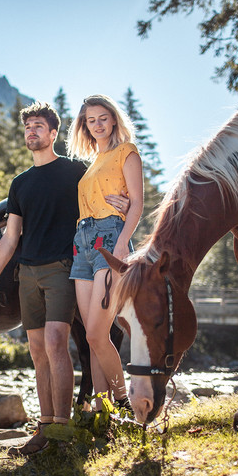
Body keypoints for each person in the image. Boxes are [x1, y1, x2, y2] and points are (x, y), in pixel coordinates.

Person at [0, 101, 128, 456]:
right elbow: (11, 237)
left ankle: (63, 428)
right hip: (27, 271)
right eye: (27, 127)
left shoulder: (75, 170)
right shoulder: (20, 184)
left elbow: (103, 190)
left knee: (57, 341)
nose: (32, 132)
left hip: (64, 265)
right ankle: (45, 427)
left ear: (53, 133)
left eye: (39, 126)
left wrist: (123, 202)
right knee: (36, 349)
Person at [66, 94, 144, 412]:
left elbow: (136, 202)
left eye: (102, 118)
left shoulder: (127, 152)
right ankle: (102, 413)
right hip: (81, 244)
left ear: (113, 119)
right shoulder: (93, 162)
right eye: (90, 120)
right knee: (91, 337)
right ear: (85, 126)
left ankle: (123, 403)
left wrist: (123, 242)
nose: (97, 124)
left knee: (99, 333)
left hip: (110, 239)